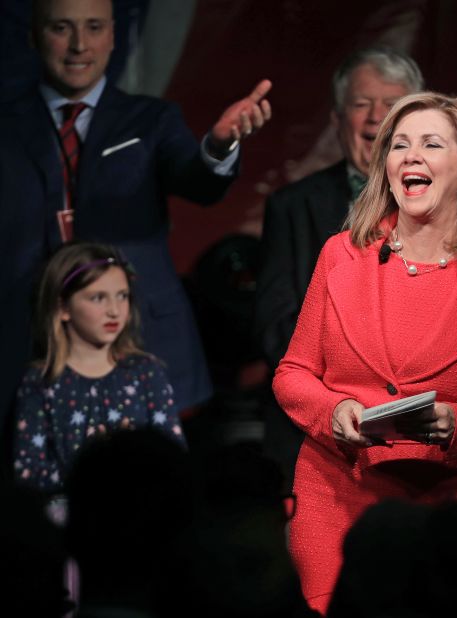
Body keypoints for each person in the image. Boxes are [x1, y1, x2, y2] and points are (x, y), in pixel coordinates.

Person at [272, 91, 457, 612]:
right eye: (399, 145)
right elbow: (293, 373)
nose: (411, 156)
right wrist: (333, 411)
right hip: (336, 490)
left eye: (431, 144)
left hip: (447, 504)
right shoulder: (341, 255)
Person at [0, 0, 272, 451]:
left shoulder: (151, 120)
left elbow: (198, 182)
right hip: (22, 347)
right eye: (61, 28)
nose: (78, 45)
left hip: (136, 346)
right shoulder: (6, 125)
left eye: (92, 28)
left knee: (140, 500)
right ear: (33, 35)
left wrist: (219, 147)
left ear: (113, 36)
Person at [255, 47, 423, 481]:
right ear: (336, 119)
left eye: (391, 105)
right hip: (317, 433)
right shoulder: (292, 206)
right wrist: (343, 398)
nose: (375, 117)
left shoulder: (454, 210)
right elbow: (276, 324)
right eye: (361, 104)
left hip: (419, 435)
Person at [13, 242, 185, 494]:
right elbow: (28, 474)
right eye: (98, 298)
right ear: (63, 308)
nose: (114, 311)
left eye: (122, 296)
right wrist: (93, 466)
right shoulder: (42, 381)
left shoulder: (145, 372)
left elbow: (176, 460)